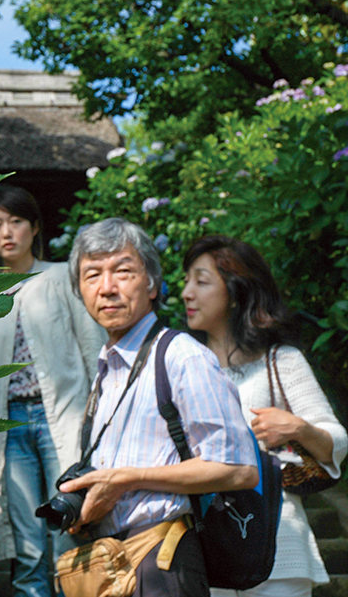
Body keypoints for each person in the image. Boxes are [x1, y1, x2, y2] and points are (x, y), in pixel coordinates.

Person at [59, 218, 259, 596]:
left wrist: (127, 479)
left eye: (123, 272)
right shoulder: (107, 369)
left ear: (152, 284)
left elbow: (239, 469)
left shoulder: (181, 356)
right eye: (92, 275)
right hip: (112, 560)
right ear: (79, 291)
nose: (107, 287)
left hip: (162, 559)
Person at [181, 235, 347, 597]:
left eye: (201, 281)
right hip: (209, 551)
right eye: (186, 281)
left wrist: (297, 428)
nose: (186, 293)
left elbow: (337, 439)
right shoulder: (182, 367)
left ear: (235, 292)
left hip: (279, 546)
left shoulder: (281, 360)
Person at [0, 186, 105, 597]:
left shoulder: (62, 276)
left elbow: (93, 347)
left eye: (16, 221)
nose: (7, 232)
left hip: (64, 416)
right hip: (9, 425)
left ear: (34, 227)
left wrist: (98, 415)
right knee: (27, 541)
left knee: (67, 527)